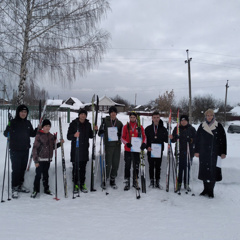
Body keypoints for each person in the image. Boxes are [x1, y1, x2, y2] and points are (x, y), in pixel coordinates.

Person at [4, 104, 37, 199]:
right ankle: (14, 188)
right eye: (22, 112)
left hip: (25, 149)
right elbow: (6, 134)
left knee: (22, 169)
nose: (23, 113)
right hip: (15, 150)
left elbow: (32, 134)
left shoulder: (28, 123)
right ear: (18, 112)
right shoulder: (13, 122)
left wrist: (37, 129)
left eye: (25, 112)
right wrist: (9, 130)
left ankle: (20, 185)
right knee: (16, 169)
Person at [194, 109, 227, 198]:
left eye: (211, 115)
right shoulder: (202, 126)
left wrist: (223, 152)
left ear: (213, 116)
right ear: (205, 116)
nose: (209, 117)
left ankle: (211, 190)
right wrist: (196, 151)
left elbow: (223, 140)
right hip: (204, 153)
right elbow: (197, 140)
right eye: (208, 115)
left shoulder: (219, 126)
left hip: (215, 153)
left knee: (213, 172)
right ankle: (205, 189)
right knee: (204, 171)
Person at [31, 119, 64, 198]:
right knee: (38, 175)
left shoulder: (51, 136)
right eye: (46, 126)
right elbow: (35, 148)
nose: (47, 128)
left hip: (48, 160)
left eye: (49, 126)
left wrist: (60, 143)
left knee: (46, 175)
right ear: (43, 127)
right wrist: (35, 161)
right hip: (40, 159)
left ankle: (46, 189)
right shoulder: (39, 135)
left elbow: (53, 147)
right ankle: (36, 190)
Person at [67, 109, 98, 193]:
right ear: (79, 115)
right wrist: (74, 135)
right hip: (76, 150)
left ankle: (82, 184)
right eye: (81, 114)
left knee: (83, 169)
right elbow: (68, 136)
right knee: (76, 168)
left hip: (84, 150)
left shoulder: (88, 124)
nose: (83, 116)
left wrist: (95, 130)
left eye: (84, 114)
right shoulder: (74, 123)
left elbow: (91, 136)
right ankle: (76, 184)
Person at [169, 114, 196, 192]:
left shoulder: (191, 129)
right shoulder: (177, 129)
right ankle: (179, 183)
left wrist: (191, 140)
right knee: (179, 169)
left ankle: (186, 183)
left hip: (188, 152)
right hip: (179, 151)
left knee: (187, 168)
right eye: (182, 120)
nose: (183, 122)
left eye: (185, 120)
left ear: (187, 121)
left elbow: (196, 139)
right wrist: (173, 138)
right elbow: (173, 140)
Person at [98, 106, 123, 189]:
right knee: (108, 163)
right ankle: (105, 179)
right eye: (111, 112)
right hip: (108, 146)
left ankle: (113, 179)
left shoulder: (119, 123)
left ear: (116, 113)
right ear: (109, 113)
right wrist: (100, 131)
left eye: (114, 112)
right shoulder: (105, 121)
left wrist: (120, 135)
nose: (113, 114)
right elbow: (99, 133)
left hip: (117, 146)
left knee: (115, 163)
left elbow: (123, 135)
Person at [121, 111, 146, 191]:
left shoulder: (140, 127)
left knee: (136, 165)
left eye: (134, 117)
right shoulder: (126, 126)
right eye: (131, 117)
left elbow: (144, 137)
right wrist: (127, 143)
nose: (132, 118)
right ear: (129, 118)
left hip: (136, 149)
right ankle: (127, 181)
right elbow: (122, 137)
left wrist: (143, 144)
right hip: (128, 149)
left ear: (136, 118)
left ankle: (135, 181)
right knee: (127, 165)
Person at [145, 111, 168, 189]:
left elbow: (166, 140)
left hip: (159, 151)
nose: (156, 119)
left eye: (157, 117)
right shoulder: (148, 129)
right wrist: (147, 147)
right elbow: (145, 140)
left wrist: (170, 137)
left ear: (159, 118)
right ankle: (152, 181)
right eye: (154, 117)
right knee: (151, 166)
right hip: (150, 150)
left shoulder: (163, 129)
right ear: (152, 118)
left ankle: (157, 182)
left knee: (158, 166)